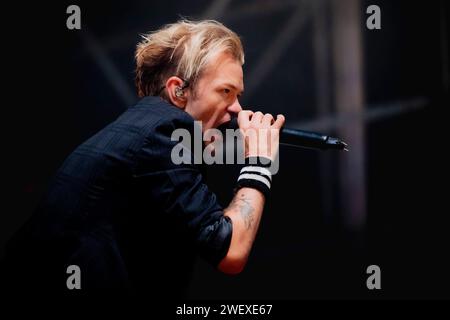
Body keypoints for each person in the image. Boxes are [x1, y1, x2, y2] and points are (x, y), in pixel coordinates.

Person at [2, 19, 285, 299]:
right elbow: (230, 250)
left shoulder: (138, 128)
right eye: (225, 91)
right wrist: (258, 162)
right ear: (178, 90)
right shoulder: (165, 133)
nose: (237, 109)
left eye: (238, 95)